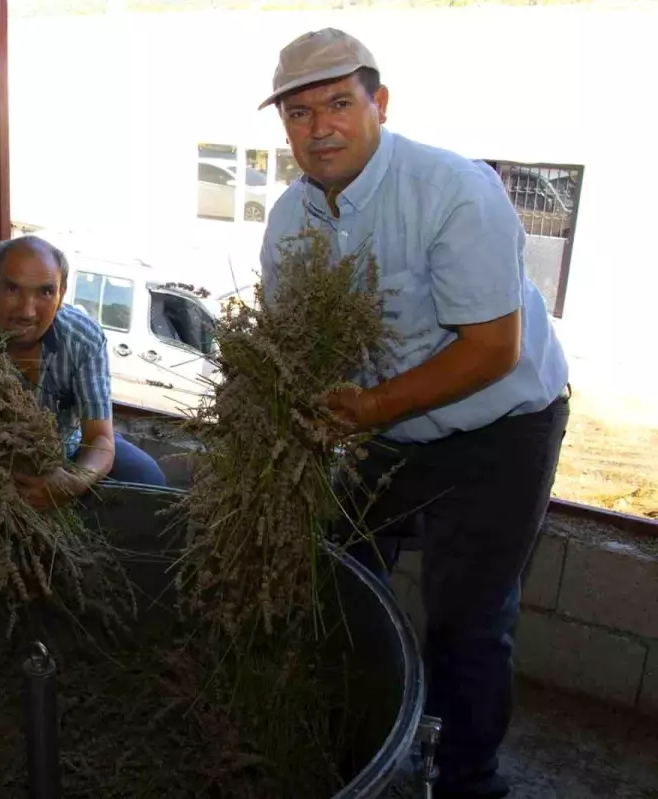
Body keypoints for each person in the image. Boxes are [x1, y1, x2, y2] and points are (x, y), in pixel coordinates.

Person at [257, 28, 570, 799]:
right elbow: (292, 344)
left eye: (338, 103)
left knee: (467, 622)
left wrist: (368, 407)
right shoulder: (289, 223)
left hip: (498, 430)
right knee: (334, 574)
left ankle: (468, 780)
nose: (319, 127)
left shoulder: (452, 190)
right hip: (385, 433)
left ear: (379, 104)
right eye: (299, 113)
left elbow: (493, 347)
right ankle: (352, 739)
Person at [0, 234, 167, 508]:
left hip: (71, 448)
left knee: (148, 479)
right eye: (13, 289)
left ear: (62, 295)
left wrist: (72, 483)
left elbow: (99, 437)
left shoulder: (83, 339)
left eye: (45, 292)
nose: (27, 312)